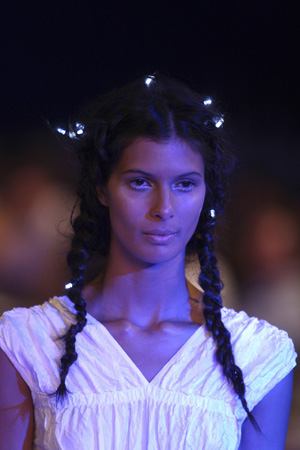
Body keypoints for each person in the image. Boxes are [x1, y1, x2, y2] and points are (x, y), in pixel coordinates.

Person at [0, 74, 296, 449]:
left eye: (185, 184)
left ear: (207, 192)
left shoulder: (258, 355)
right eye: (140, 182)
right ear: (102, 190)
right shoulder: (30, 343)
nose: (165, 208)